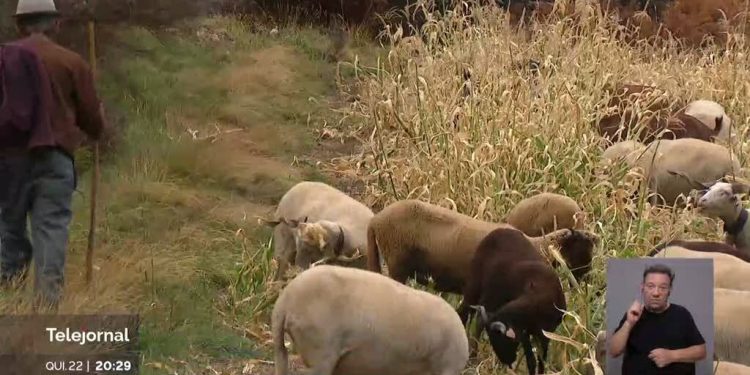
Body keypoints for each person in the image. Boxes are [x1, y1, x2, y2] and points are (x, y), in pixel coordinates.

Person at [0, 0, 108, 311]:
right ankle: (47, 309)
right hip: (55, 158)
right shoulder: (72, 62)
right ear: (55, 24)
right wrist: (97, 128)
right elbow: (91, 118)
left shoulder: (5, 58)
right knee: (51, 230)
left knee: (10, 228)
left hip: (9, 161)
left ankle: (8, 303)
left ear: (20, 25)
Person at [608, 263, 707, 375]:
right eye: (650, 286)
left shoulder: (682, 314)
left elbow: (701, 351)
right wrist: (629, 323)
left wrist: (671, 356)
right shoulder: (634, 314)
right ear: (642, 287)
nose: (656, 293)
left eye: (663, 287)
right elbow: (613, 351)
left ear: (669, 290)